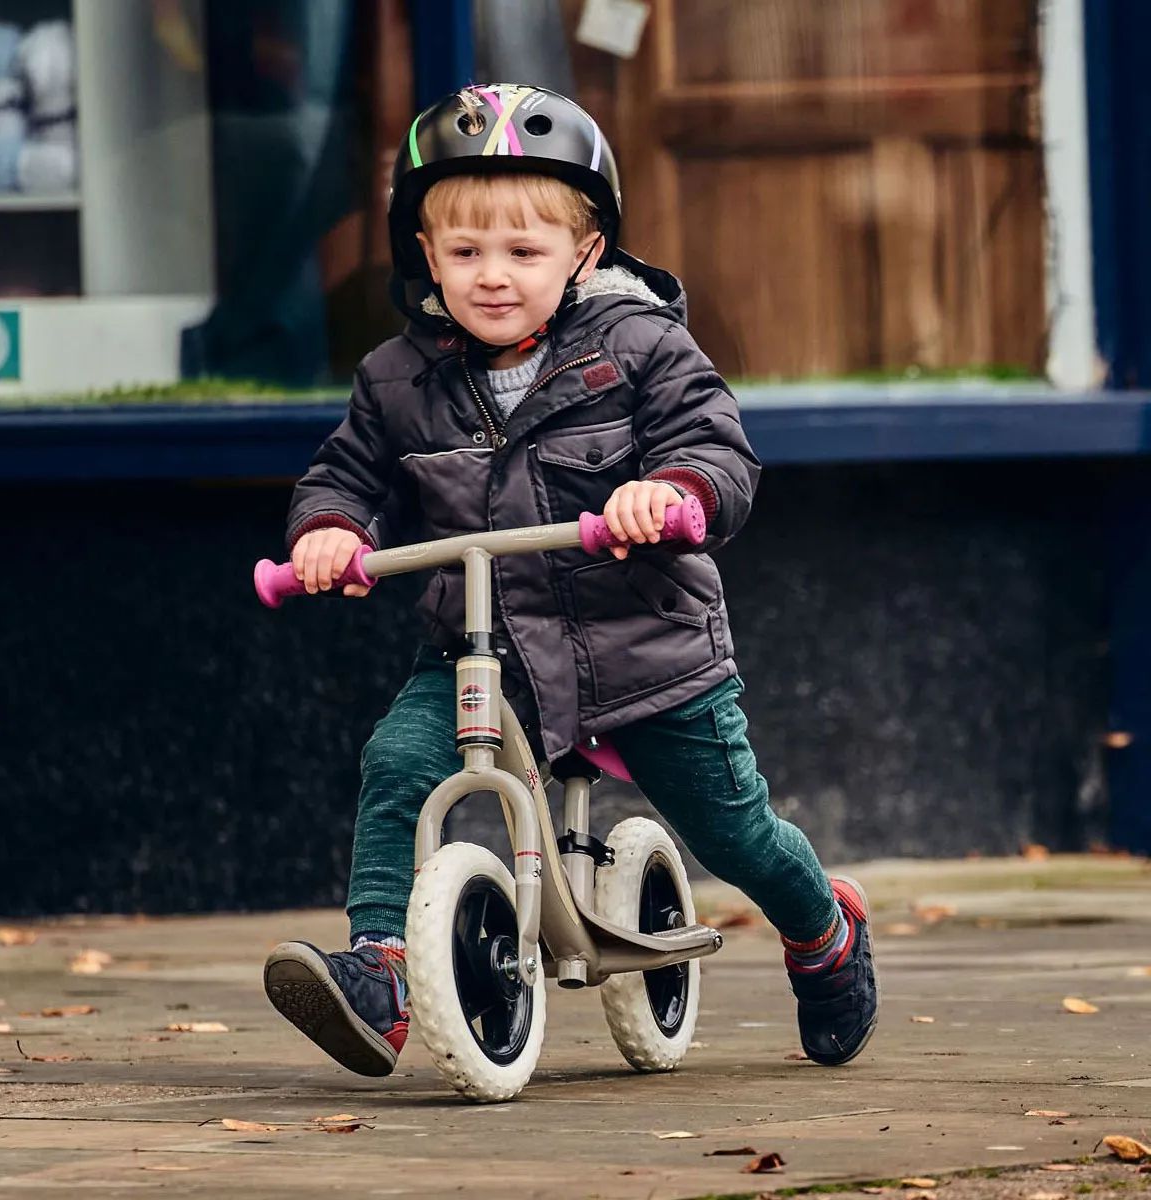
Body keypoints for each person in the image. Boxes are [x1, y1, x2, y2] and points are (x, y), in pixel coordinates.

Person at [263, 84, 877, 1077]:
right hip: (484, 647)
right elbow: (347, 476)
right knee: (396, 765)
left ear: (586, 254)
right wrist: (330, 532)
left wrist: (671, 494)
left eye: (524, 253)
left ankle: (825, 930)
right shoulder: (394, 377)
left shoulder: (641, 349)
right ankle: (379, 972)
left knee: (736, 830)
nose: (492, 277)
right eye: (464, 254)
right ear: (425, 253)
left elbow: (714, 450)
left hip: (648, 653)